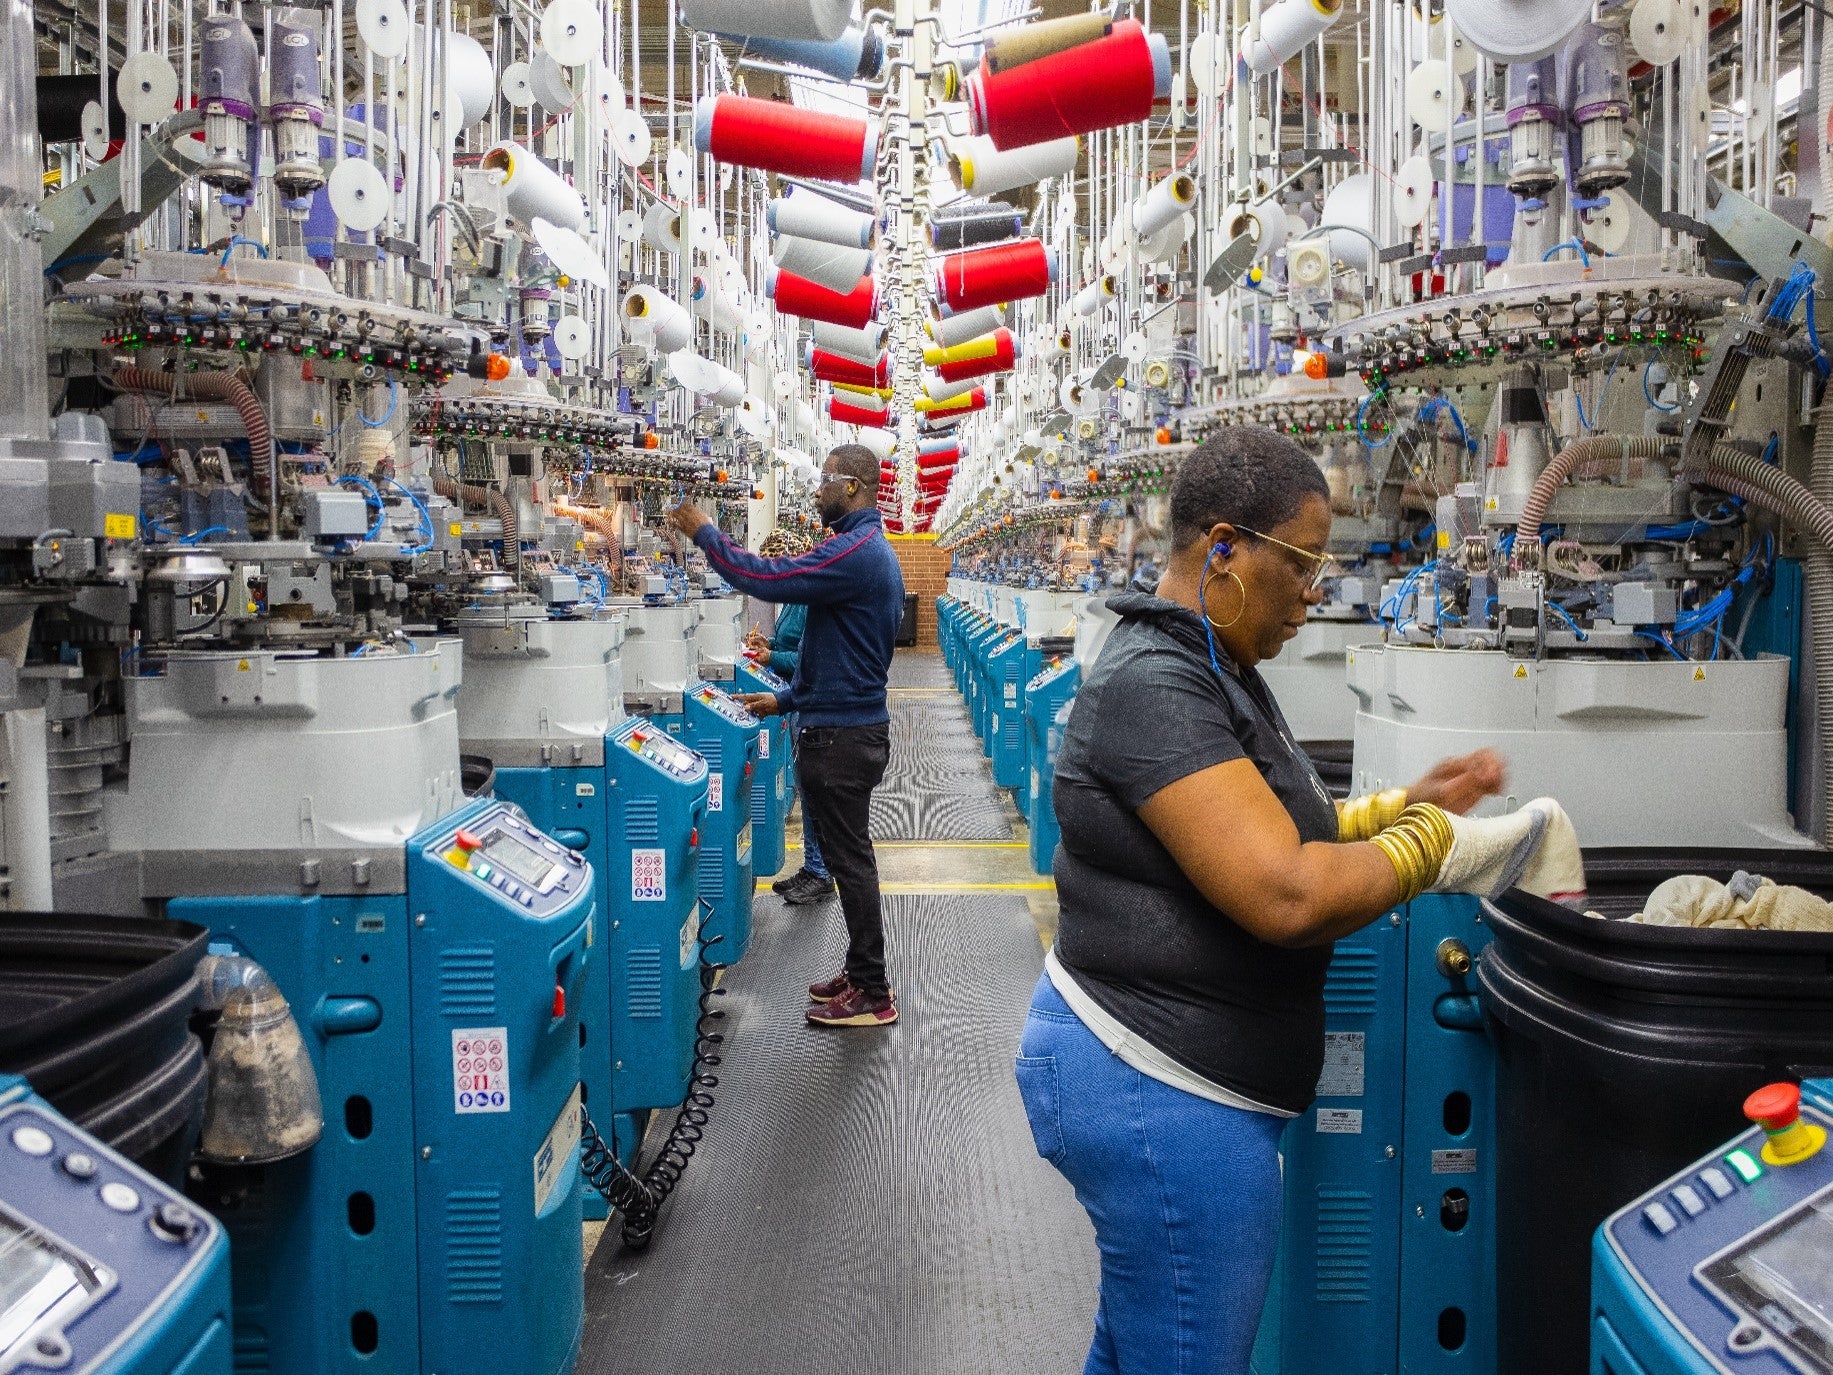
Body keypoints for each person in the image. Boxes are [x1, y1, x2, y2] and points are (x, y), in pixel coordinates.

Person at [1017, 428, 1582, 1374]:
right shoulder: (1156, 681)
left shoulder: (1213, 667)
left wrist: (1401, 809)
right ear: (1226, 548)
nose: (1314, 593)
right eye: (1304, 564)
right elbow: (1283, 891)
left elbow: (1277, 825)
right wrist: (1442, 848)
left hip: (1168, 1078)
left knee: (1137, 1349)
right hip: (1160, 1088)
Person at [669, 445, 907, 1028]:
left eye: (824, 481)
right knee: (852, 861)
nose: (816, 490)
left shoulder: (854, 551)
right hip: (844, 727)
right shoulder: (866, 551)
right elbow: (842, 653)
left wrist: (706, 533)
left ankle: (874, 993)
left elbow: (765, 578)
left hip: (843, 739)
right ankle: (861, 972)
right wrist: (786, 698)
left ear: (852, 487)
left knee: (852, 864)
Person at [748, 529, 834, 906]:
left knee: (814, 793)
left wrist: (771, 659)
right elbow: (790, 644)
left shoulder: (809, 600)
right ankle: (812, 867)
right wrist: (769, 647)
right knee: (806, 789)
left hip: (809, 703)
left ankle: (820, 872)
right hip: (798, 700)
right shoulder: (795, 600)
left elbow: (808, 658)